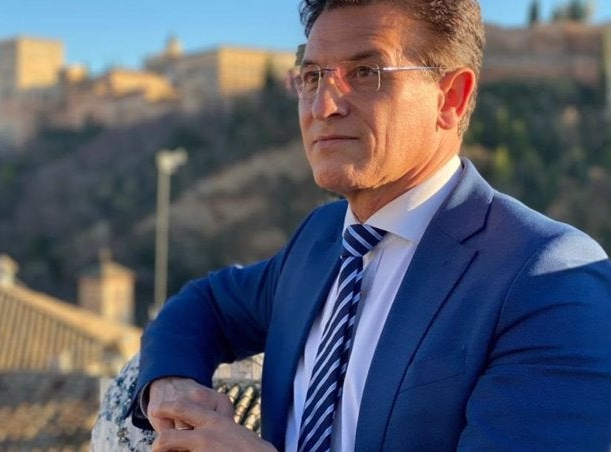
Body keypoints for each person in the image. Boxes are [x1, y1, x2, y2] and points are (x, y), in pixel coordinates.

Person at [130, 0, 611, 450]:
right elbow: (206, 305)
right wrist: (171, 384)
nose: (323, 106)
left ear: (451, 97)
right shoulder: (320, 240)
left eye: (365, 73)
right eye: (313, 76)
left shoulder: (548, 278)